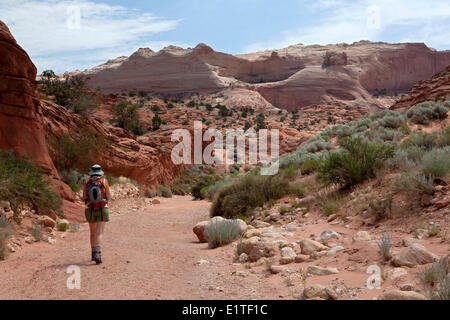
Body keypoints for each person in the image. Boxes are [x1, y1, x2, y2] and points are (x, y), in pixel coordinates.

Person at [83, 164, 111, 264]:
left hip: (89, 209)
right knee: (99, 232)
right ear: (100, 172)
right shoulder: (104, 181)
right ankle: (98, 254)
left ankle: (93, 253)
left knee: (92, 232)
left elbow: (84, 197)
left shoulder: (86, 182)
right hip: (102, 208)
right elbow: (109, 196)